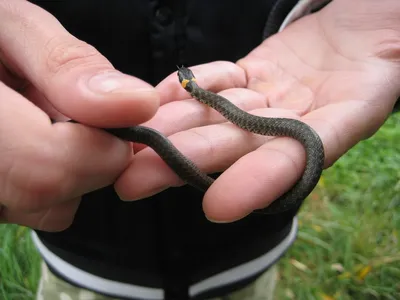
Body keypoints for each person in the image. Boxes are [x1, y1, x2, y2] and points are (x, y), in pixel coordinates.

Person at [0, 0, 399, 299]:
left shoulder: (210, 98)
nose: (184, 78)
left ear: (192, 89)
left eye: (186, 81)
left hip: (245, 252)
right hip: (88, 256)